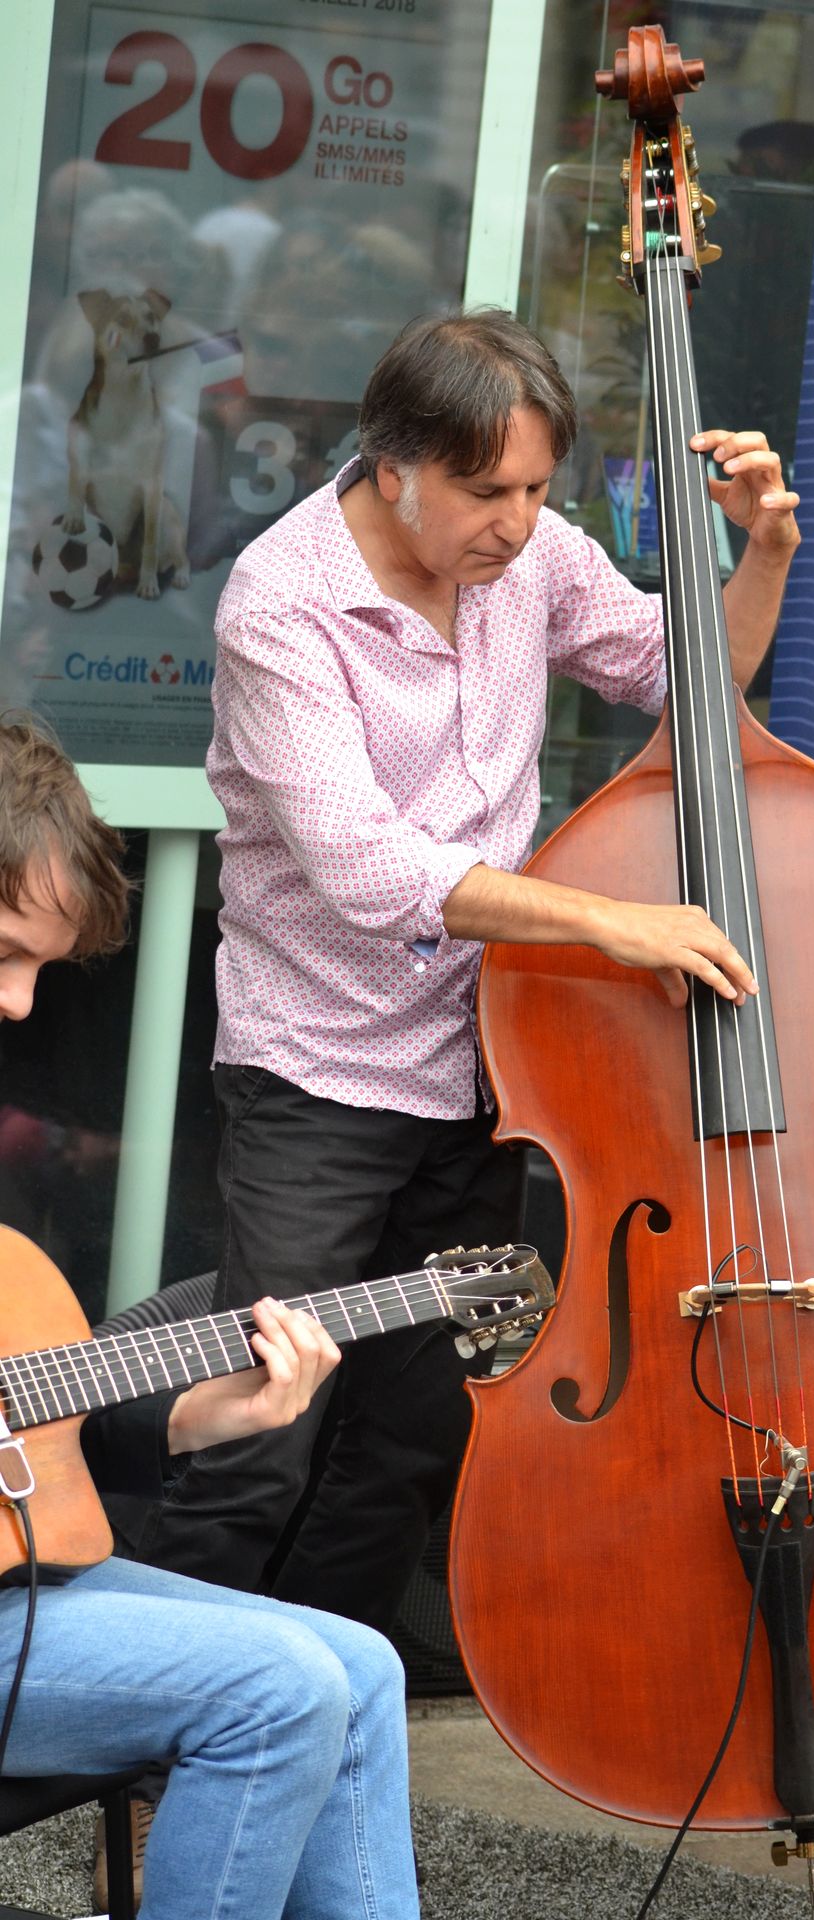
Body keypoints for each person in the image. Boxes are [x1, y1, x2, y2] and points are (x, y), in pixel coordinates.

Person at [120, 307, 800, 1633]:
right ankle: (158, 1721)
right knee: (264, 1417)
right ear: (393, 467)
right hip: (318, 1070)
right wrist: (613, 923)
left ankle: (324, 1705)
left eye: (540, 489)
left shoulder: (531, 558)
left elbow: (689, 673)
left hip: (482, 1065)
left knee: (411, 1434)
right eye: (490, 491)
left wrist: (763, 551)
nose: (521, 521)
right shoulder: (284, 602)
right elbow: (368, 870)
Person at [0, 715, 419, 1919]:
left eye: (43, 969)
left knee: (360, 1663)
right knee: (280, 1689)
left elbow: (38, 1416)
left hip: (26, 1583)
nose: (25, 1008)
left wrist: (200, 1415)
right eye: (5, 954)